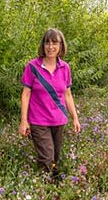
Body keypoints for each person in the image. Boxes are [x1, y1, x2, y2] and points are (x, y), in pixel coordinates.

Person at [19, 28, 81, 177]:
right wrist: (23, 121)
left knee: (55, 157)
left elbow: (67, 94)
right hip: (38, 121)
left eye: (55, 43)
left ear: (61, 46)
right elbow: (25, 95)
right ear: (43, 45)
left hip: (58, 120)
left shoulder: (65, 68)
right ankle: (45, 189)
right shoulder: (32, 67)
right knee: (46, 157)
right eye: (47, 42)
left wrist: (75, 118)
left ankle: (51, 187)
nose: (50, 46)